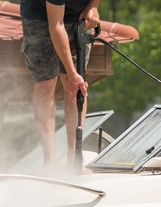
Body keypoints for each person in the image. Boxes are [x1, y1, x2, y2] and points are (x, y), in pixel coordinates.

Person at [20, 0, 100, 175]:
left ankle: (74, 159)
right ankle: (49, 161)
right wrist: (72, 73)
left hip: (77, 16)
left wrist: (93, 6)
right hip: (40, 15)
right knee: (45, 83)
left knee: (76, 88)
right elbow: (56, 25)